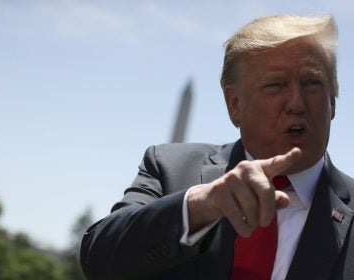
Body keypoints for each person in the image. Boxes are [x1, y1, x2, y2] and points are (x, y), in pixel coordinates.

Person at [80, 14, 354, 280]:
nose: (296, 103)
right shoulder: (170, 168)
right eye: (275, 85)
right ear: (234, 104)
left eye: (312, 83)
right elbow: (99, 258)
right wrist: (203, 205)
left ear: (333, 99)